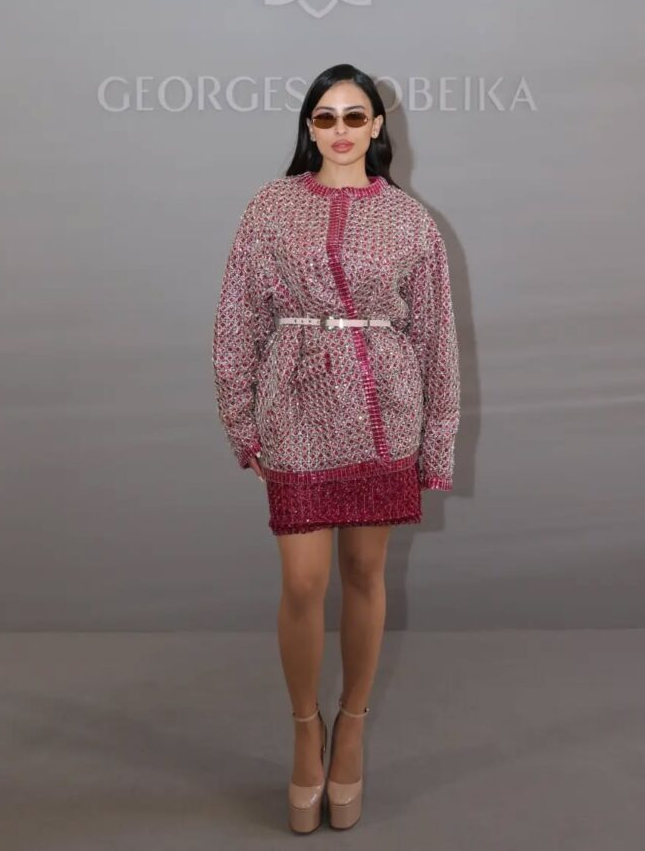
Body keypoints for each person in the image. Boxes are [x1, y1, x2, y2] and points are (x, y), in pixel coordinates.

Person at [212, 63, 461, 831]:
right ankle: (303, 729)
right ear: (308, 128)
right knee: (301, 581)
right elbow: (237, 318)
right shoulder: (269, 208)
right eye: (325, 117)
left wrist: (437, 442)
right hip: (294, 409)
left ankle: (351, 724)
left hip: (384, 410)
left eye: (355, 116)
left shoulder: (411, 222)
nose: (341, 130)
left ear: (377, 127)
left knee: (363, 572)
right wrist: (240, 419)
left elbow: (437, 340)